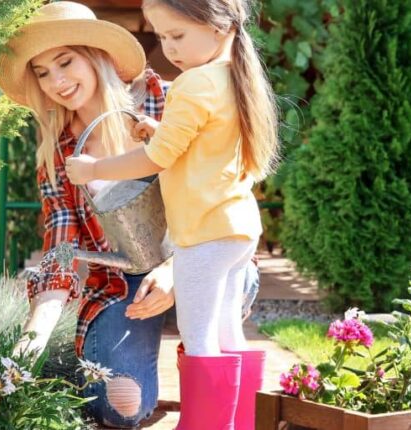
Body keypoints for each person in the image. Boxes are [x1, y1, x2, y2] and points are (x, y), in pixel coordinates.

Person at [65, 0, 279, 428]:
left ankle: (203, 425)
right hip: (237, 229)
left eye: (177, 35)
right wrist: (157, 127)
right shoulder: (231, 77)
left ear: (219, 28)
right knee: (226, 333)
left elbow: (156, 159)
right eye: (162, 37)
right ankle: (239, 423)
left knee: (199, 339)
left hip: (203, 234)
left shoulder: (193, 83)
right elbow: (200, 146)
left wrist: (94, 169)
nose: (169, 48)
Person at [0, 2, 175, 427]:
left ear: (94, 56)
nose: (56, 81)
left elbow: (218, 193)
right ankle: (139, 359)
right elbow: (61, 249)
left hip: (199, 256)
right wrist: (31, 341)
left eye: (65, 61)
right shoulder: (58, 152)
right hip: (124, 279)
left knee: (228, 290)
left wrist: (178, 270)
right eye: (41, 72)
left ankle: (201, 371)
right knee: (121, 406)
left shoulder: (161, 101)